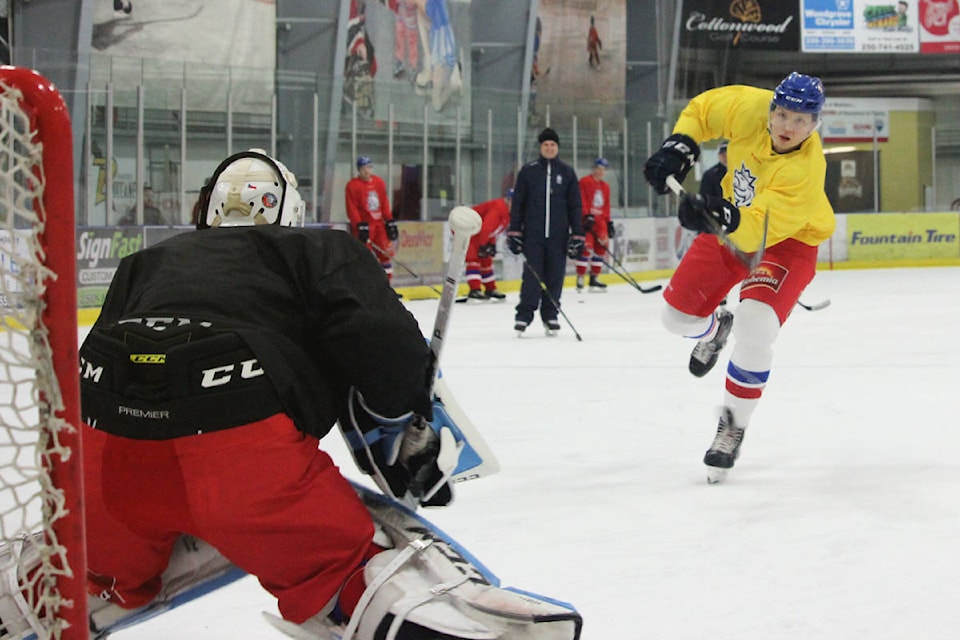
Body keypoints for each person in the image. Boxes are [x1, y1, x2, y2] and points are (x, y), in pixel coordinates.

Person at [74, 149, 482, 638]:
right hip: (243, 461)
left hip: (102, 462)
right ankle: (356, 595)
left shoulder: (143, 262)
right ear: (291, 211)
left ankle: (108, 579)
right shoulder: (318, 250)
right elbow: (383, 343)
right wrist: (409, 424)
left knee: (105, 571)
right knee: (347, 570)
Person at [642, 72, 835, 483]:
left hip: (788, 241)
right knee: (676, 319)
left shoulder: (806, 170)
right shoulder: (751, 107)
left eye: (800, 120)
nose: (787, 126)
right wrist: (681, 146)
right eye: (782, 114)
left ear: (816, 123)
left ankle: (733, 424)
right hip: (731, 226)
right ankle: (715, 327)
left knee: (756, 324)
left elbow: (758, 233)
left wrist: (719, 214)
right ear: (771, 108)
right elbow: (702, 111)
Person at [506, 127, 584, 335]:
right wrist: (515, 231)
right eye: (545, 145)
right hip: (533, 234)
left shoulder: (566, 173)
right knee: (532, 277)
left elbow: (575, 205)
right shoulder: (529, 171)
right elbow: (518, 203)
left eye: (552, 145)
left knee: (555, 276)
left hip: (558, 236)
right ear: (540, 147)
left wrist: (577, 234)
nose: (549, 148)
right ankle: (524, 315)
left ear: (557, 148)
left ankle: (550, 314)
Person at [345, 155, 398, 283]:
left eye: (369, 167)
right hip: (364, 227)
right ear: (359, 169)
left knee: (385, 255)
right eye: (363, 168)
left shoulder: (378, 182)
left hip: (379, 225)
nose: (366, 171)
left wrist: (389, 220)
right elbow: (351, 207)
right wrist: (358, 224)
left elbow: (384, 202)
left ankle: (387, 287)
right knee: (364, 256)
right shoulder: (352, 185)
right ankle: (366, 286)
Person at [463, 189, 512, 301]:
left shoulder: (508, 213)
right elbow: (486, 228)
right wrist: (483, 245)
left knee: (486, 260)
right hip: (469, 230)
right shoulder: (499, 208)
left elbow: (492, 231)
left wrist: (491, 244)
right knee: (474, 259)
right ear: (508, 200)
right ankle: (475, 289)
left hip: (479, 234)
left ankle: (490, 289)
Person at [576, 158, 612, 292]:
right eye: (598, 168)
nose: (600, 172)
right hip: (587, 221)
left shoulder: (606, 186)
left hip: (600, 222)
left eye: (603, 169)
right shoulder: (585, 182)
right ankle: (580, 278)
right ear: (593, 169)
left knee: (601, 248)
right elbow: (581, 198)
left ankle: (594, 278)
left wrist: (609, 222)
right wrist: (586, 215)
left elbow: (606, 205)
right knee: (586, 248)